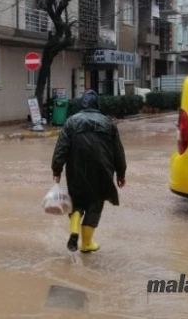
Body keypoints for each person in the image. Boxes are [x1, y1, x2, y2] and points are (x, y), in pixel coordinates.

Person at [51, 90, 127, 253]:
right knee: (95, 205)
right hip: (102, 172)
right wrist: (121, 173)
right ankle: (86, 244)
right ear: (96, 105)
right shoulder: (108, 123)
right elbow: (118, 151)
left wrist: (56, 169)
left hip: (76, 171)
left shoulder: (71, 122)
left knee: (76, 202)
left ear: (82, 104)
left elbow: (61, 149)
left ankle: (73, 231)